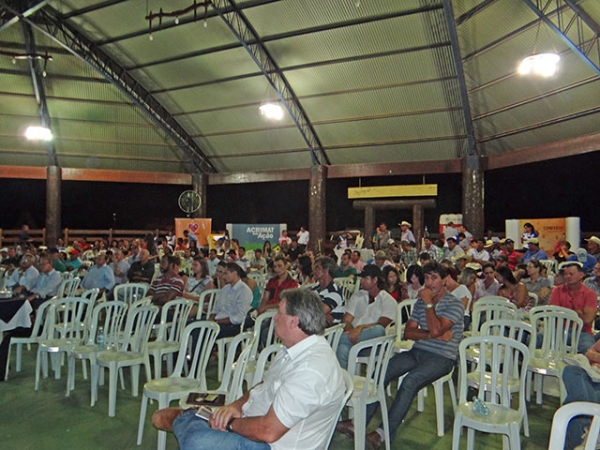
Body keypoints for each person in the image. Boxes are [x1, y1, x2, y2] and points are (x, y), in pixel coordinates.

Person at [152, 288, 345, 450]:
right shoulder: (293, 350)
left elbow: (268, 431)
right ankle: (193, 419)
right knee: (185, 429)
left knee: (196, 441)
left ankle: (189, 418)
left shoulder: (311, 370)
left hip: (272, 445)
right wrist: (235, 407)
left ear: (294, 321)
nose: (275, 318)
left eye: (279, 313)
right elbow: (264, 385)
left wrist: (228, 424)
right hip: (254, 423)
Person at [337, 262, 463, 448]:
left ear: (445, 280)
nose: (429, 283)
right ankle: (358, 423)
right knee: (381, 372)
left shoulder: (454, 304)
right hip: (418, 351)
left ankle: (382, 433)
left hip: (443, 357)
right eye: (427, 278)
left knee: (409, 381)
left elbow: (436, 327)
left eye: (434, 278)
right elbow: (408, 333)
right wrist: (432, 334)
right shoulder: (420, 303)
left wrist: (429, 305)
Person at [335, 265, 396, 369]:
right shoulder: (358, 295)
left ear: (375, 280)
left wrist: (360, 328)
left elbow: (381, 325)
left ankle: (334, 340)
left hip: (373, 343)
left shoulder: (388, 301)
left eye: (365, 278)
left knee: (379, 330)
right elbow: (346, 320)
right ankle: (344, 383)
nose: (361, 281)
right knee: (342, 349)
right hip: (352, 339)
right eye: (361, 278)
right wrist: (352, 333)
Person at [549, 261, 597, 354]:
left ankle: (583, 368)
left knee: (589, 349)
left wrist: (565, 312)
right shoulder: (557, 290)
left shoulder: (590, 294)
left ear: (581, 275)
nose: (567, 276)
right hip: (558, 330)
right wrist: (578, 313)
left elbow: (588, 319)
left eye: (571, 274)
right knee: (534, 338)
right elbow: (552, 312)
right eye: (566, 274)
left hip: (582, 332)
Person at [563, 339, 600, 449]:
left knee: (572, 402)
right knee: (571, 370)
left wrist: (596, 357)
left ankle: (585, 432)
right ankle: (589, 434)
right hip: (594, 373)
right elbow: (589, 353)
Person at [210, 263, 253, 338]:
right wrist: (211, 318)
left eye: (226, 273)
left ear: (235, 273)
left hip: (233, 325)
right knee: (192, 325)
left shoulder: (244, 290)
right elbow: (216, 309)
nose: (223, 276)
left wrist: (219, 321)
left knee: (203, 331)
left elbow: (239, 317)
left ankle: (204, 349)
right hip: (219, 320)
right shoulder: (226, 288)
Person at [311, 257, 344, 326]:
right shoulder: (316, 289)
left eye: (317, 268)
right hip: (315, 325)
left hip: (328, 332)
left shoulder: (334, 292)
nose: (313, 271)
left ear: (326, 270)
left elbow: (317, 313)